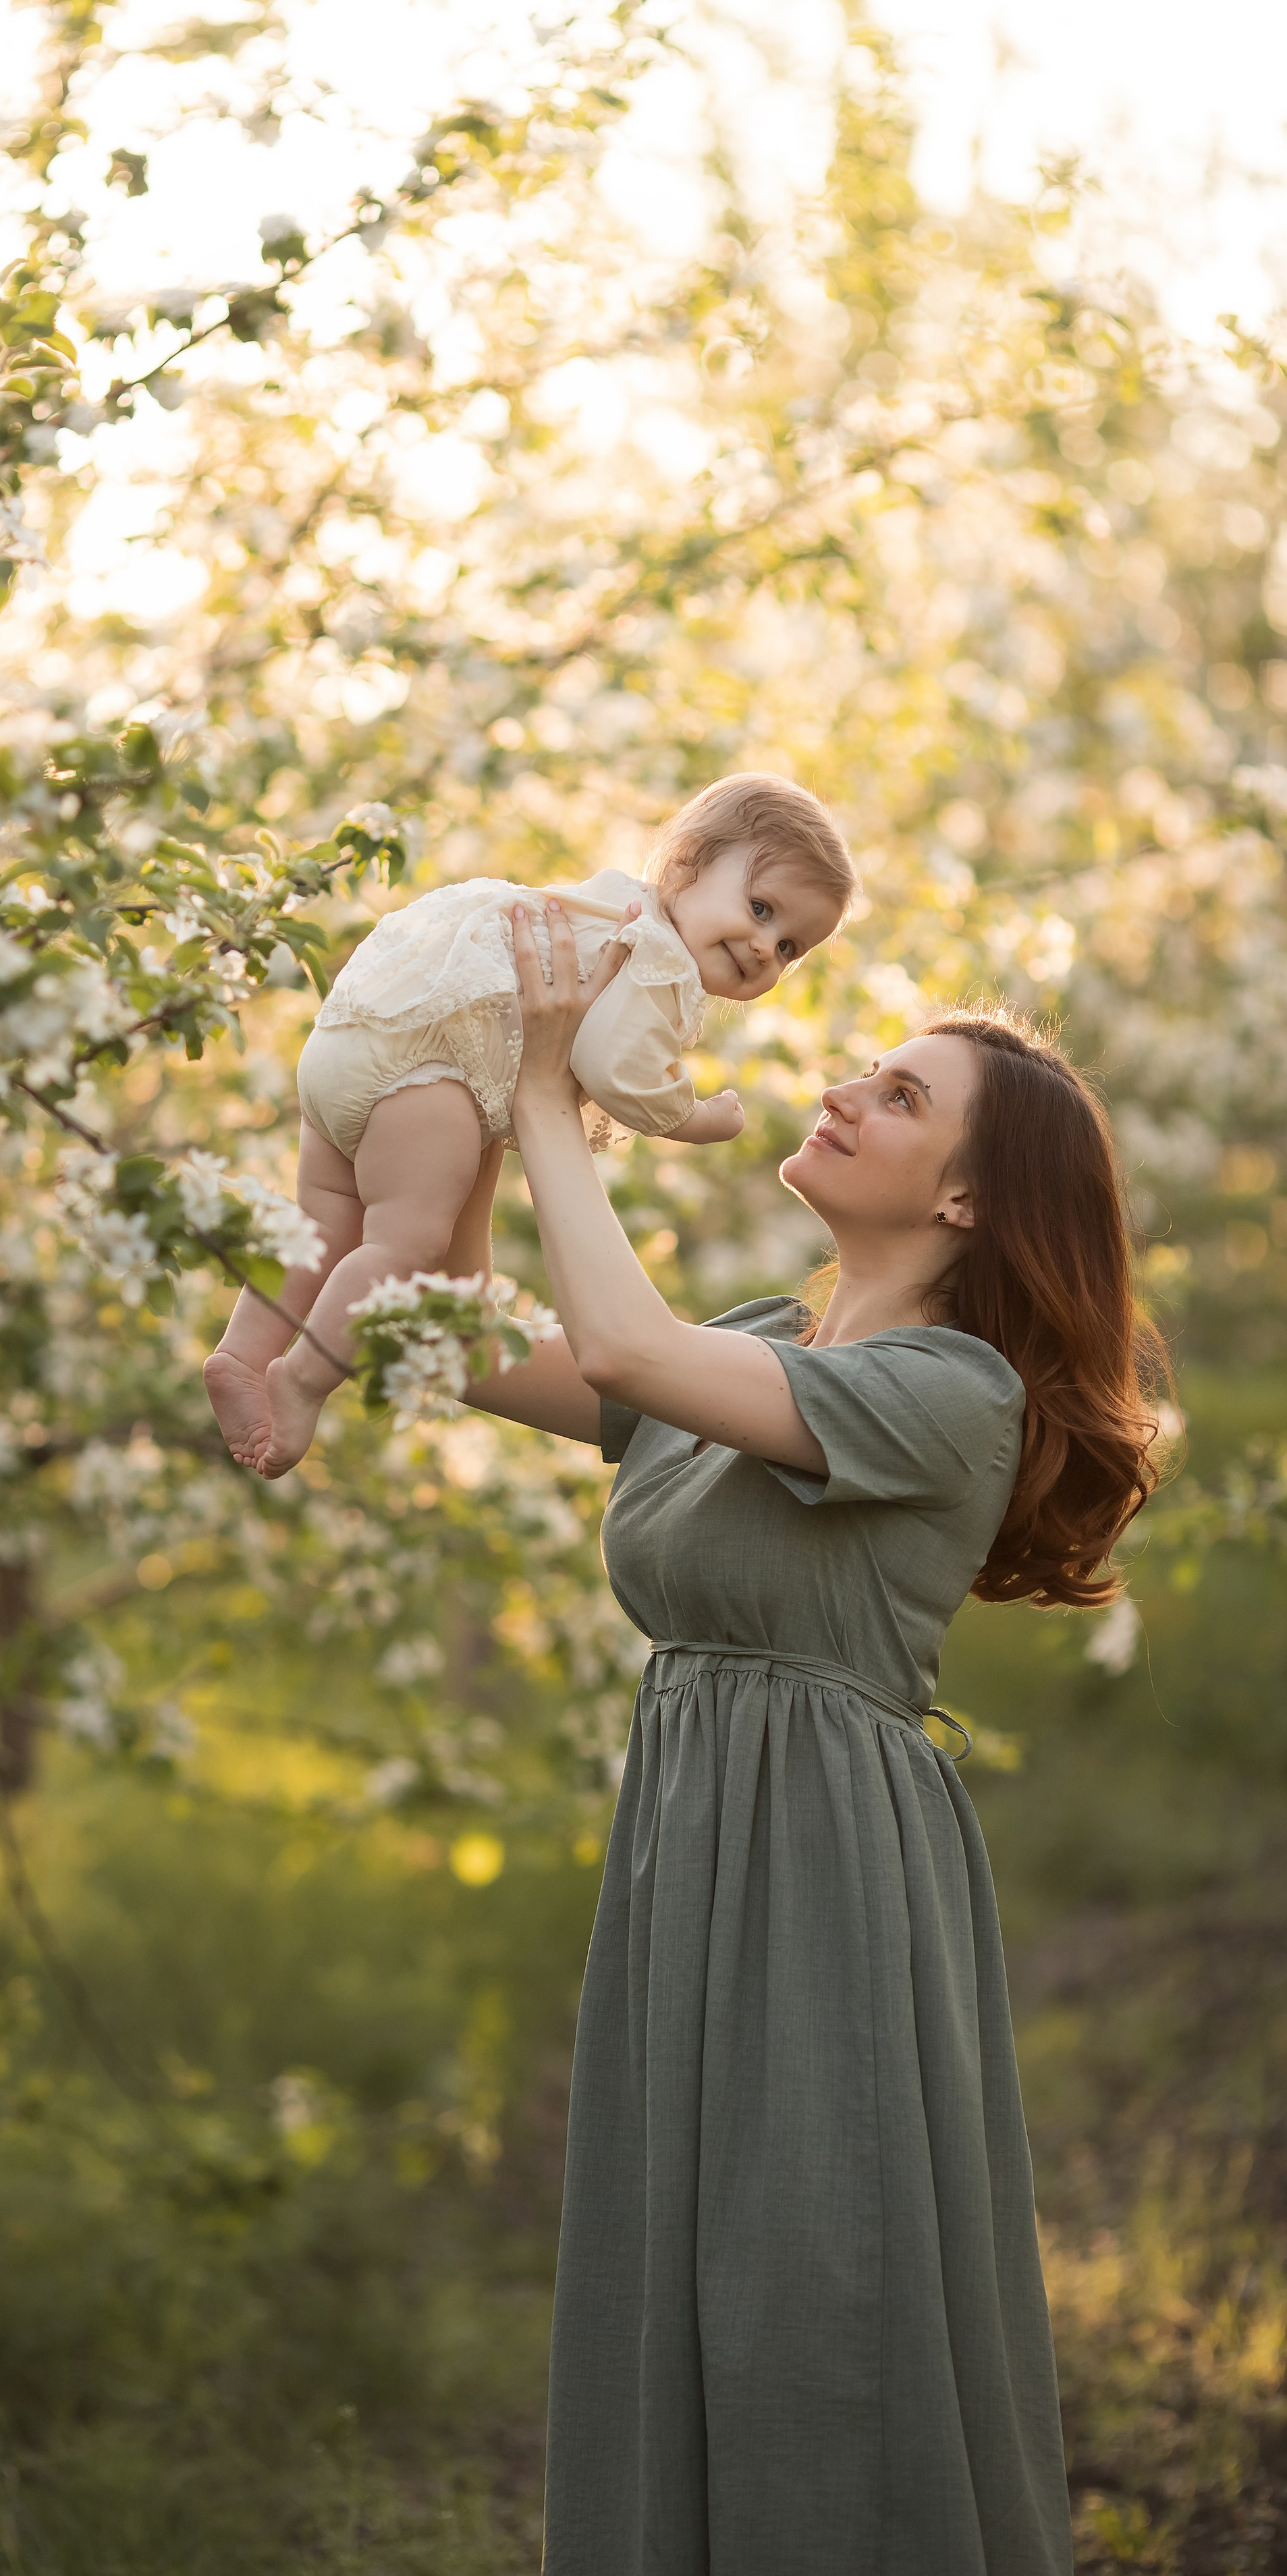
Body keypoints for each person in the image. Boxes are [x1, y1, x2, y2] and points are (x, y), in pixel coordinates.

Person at [451, 904, 1167, 2576]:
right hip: (694, 1836)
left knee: (806, 2283)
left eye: (898, 1097)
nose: (842, 1088)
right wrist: (464, 1103)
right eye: (862, 1067)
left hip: (822, 1859)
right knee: (685, 2268)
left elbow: (617, 1342)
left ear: (964, 1199)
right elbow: (457, 1331)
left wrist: (560, 1098)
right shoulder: (770, 1340)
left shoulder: (955, 1391)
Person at [204, 773, 856, 1480]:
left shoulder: (606, 902)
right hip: (427, 1074)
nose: (766, 948)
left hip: (352, 1039)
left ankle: (241, 1355)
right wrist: (695, 1118)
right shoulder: (654, 956)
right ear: (685, 865)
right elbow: (615, 1067)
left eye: (791, 947)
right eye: (760, 909)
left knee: (326, 1216)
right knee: (405, 1240)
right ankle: (303, 1377)